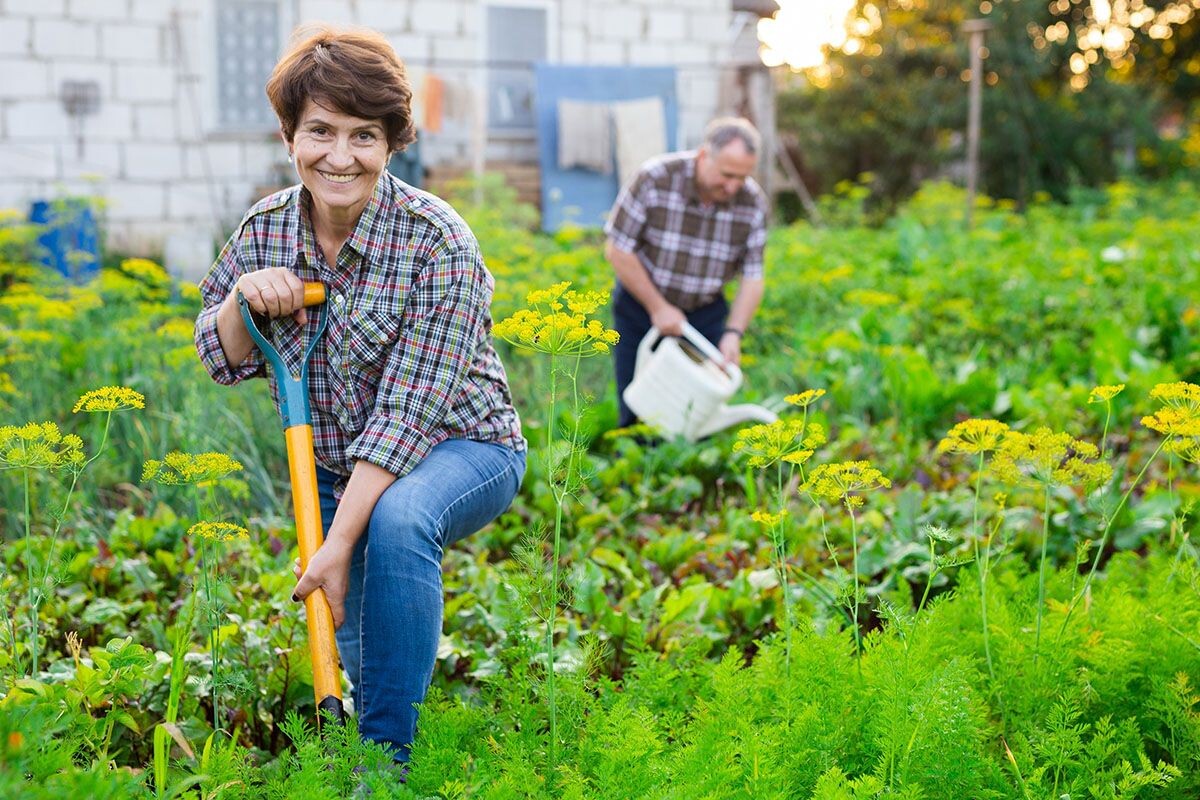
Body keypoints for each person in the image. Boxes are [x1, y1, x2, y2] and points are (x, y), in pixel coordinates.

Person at [193, 25, 526, 765]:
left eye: (363, 136)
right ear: (289, 136)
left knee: (400, 520)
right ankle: (382, 735)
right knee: (371, 658)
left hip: (465, 445)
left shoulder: (438, 241)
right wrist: (242, 299)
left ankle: (387, 767)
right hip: (339, 472)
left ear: (391, 143)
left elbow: (411, 414)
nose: (339, 157)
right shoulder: (264, 231)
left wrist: (336, 543)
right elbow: (218, 354)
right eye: (320, 131)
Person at [604, 117, 768, 428]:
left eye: (742, 177)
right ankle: (635, 465)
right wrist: (658, 307)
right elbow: (617, 250)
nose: (733, 186)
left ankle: (688, 465)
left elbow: (753, 276)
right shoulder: (655, 178)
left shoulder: (753, 202)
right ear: (704, 156)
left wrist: (734, 333)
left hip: (704, 313)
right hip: (641, 305)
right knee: (638, 406)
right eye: (727, 174)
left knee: (697, 407)